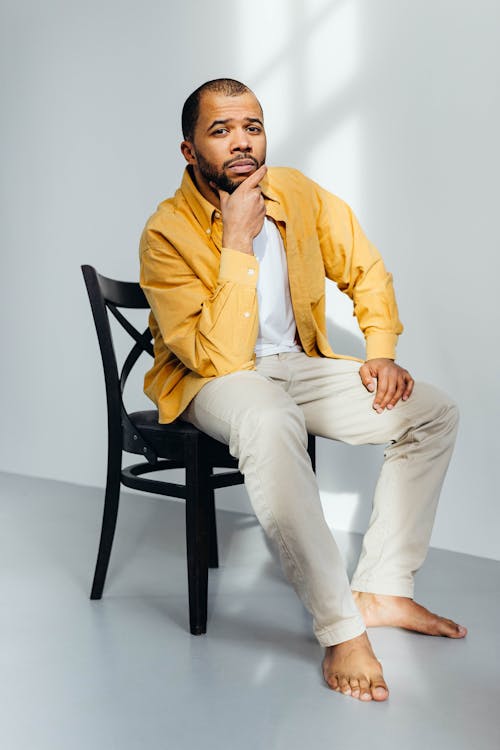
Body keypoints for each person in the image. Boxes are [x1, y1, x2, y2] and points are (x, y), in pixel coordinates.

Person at [139, 78, 466, 702]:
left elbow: (364, 267)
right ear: (189, 151)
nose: (242, 143)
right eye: (221, 131)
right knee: (268, 420)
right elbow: (221, 357)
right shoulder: (165, 233)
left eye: (252, 127)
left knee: (431, 412)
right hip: (211, 378)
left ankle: (384, 589)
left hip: (296, 363)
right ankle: (341, 628)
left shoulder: (295, 193)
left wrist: (381, 352)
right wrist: (236, 239)